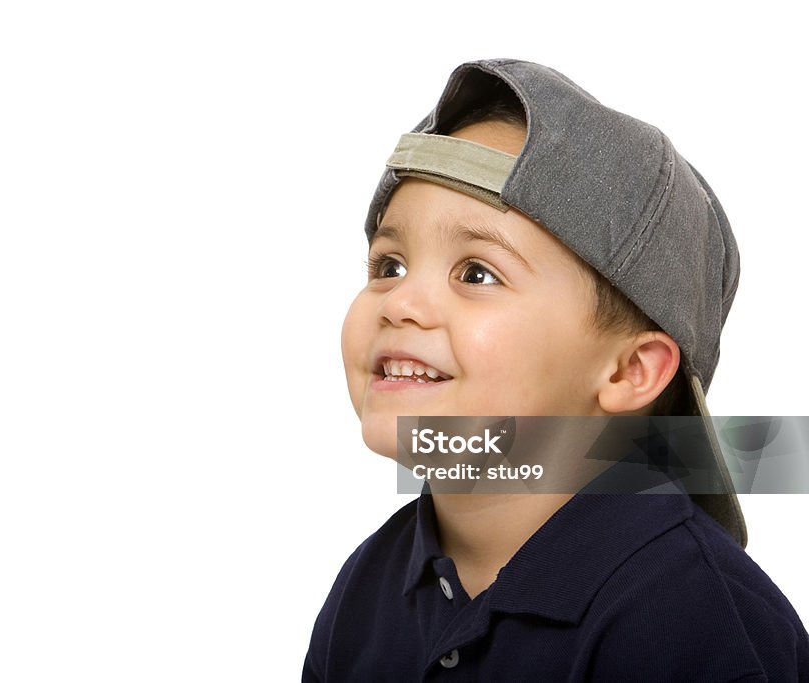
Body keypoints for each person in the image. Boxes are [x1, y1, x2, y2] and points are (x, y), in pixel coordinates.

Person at [302, 59, 809, 681]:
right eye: (389, 265)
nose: (400, 303)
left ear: (629, 371)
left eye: (477, 274)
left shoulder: (694, 621)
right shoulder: (367, 587)